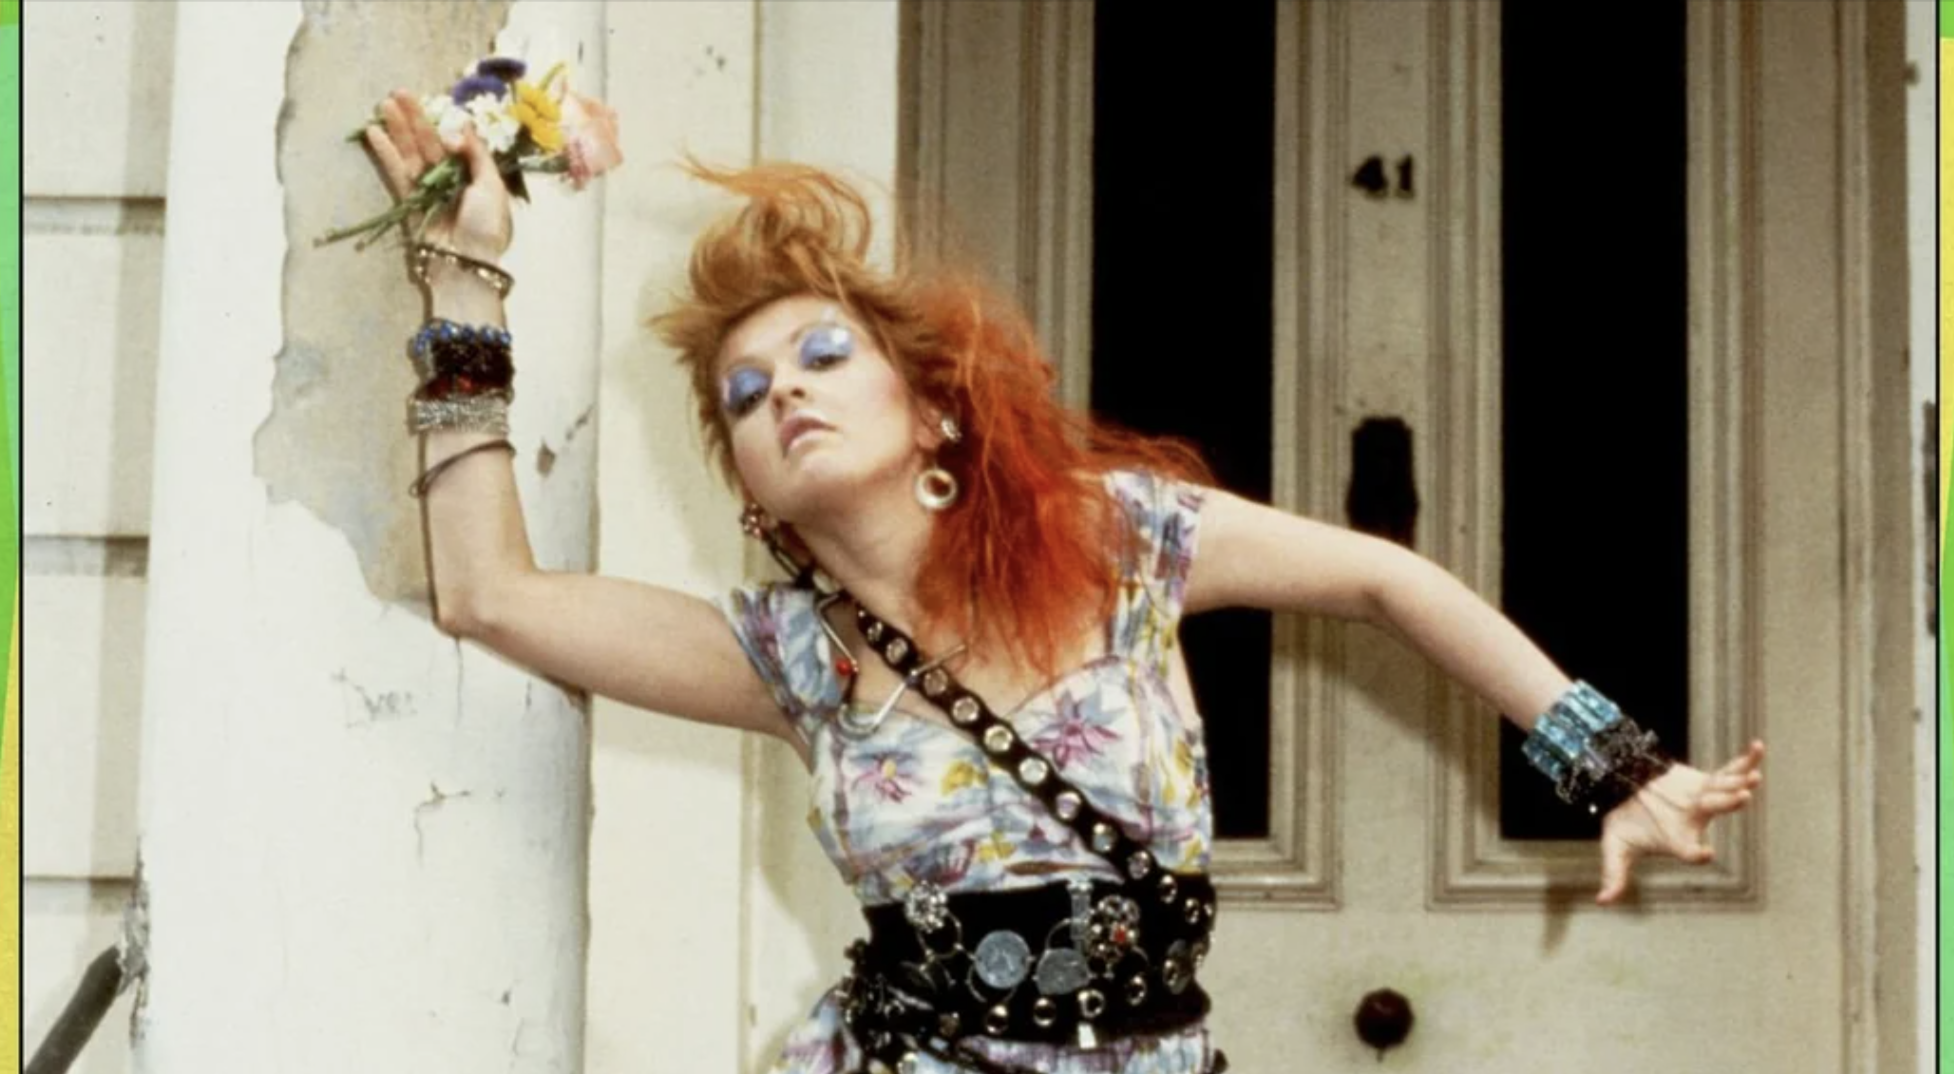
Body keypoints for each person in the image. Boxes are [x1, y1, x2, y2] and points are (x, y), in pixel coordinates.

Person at [361, 91, 1766, 1074]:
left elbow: (1387, 582)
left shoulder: (1112, 538)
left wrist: (1611, 759)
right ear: (746, 482)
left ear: (933, 412)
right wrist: (464, 285)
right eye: (744, 392)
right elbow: (489, 590)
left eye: (823, 358)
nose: (782, 391)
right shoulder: (795, 654)